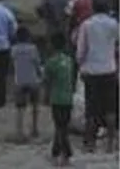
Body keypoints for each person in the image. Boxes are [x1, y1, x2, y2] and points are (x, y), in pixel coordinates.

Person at [77, 0, 119, 153]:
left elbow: (81, 50)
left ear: (93, 7)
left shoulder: (86, 25)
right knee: (110, 109)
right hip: (109, 70)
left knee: (91, 109)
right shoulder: (113, 24)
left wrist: (80, 64)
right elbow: (119, 44)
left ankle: (90, 143)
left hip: (91, 71)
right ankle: (111, 143)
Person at [43, 33, 76, 166]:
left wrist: (46, 97)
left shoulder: (51, 62)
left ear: (52, 45)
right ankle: (55, 152)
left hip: (57, 98)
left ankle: (66, 152)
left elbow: (47, 82)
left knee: (59, 126)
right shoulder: (69, 61)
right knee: (63, 126)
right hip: (68, 98)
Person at [11, 26, 43, 141]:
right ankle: (34, 128)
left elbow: (13, 63)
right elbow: (37, 64)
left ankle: (19, 131)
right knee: (35, 105)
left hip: (19, 80)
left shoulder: (14, 49)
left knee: (20, 108)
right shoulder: (33, 49)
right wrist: (41, 75)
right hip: (32, 80)